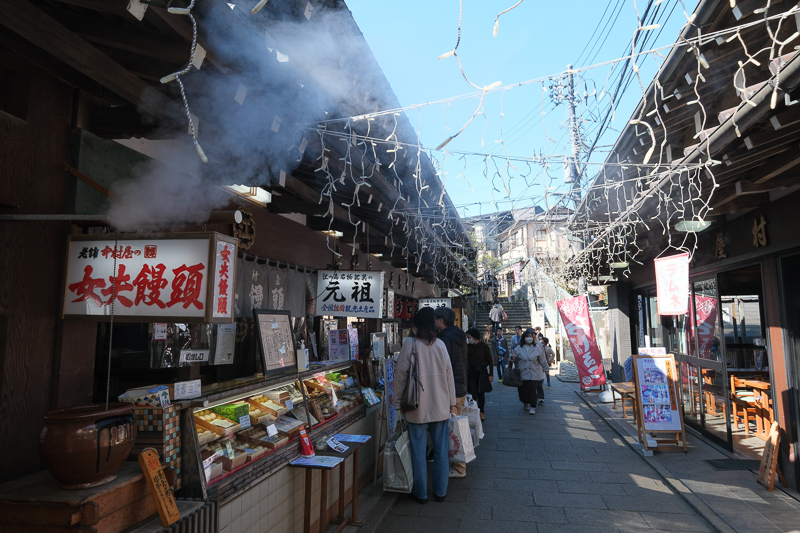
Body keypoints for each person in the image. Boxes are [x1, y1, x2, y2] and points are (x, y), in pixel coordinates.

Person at [394, 307, 456, 504]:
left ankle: (420, 493)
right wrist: (452, 402)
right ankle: (441, 491)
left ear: (416, 326)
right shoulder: (440, 345)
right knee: (440, 450)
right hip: (440, 405)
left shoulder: (409, 344)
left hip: (416, 407)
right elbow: (449, 376)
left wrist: (397, 403)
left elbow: (400, 377)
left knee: (418, 452)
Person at [433, 306, 468, 479]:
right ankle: (453, 462)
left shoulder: (446, 340)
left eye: (435, 320)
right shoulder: (460, 336)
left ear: (440, 321)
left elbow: (443, 368)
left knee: (454, 430)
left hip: (452, 389)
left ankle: (460, 466)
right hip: (460, 386)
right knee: (454, 427)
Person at [512, 328, 549, 415]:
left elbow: (542, 360)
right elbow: (512, 357)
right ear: (524, 337)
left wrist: (546, 370)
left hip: (533, 372)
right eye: (527, 336)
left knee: (532, 390)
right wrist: (512, 358)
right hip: (522, 373)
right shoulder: (518, 348)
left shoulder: (537, 348)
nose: (529, 338)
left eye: (531, 337)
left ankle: (533, 406)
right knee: (523, 390)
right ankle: (525, 402)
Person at [466, 327, 493, 420]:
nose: (468, 339)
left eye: (469, 337)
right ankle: (474, 410)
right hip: (471, 373)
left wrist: (491, 374)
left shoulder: (484, 346)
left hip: (482, 373)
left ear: (474, 337)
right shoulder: (467, 346)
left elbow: (490, 360)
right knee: (472, 392)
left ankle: (481, 411)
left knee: (481, 393)